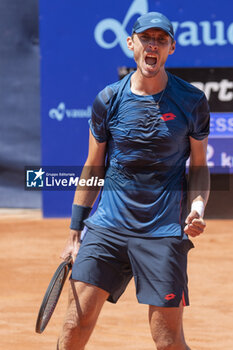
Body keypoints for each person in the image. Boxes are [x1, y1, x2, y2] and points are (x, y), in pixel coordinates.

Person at [58, 11, 210, 350]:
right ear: (131, 44)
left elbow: (199, 166)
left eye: (160, 39)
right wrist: (74, 231)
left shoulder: (192, 102)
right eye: (145, 38)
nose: (152, 45)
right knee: (73, 326)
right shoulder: (108, 100)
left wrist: (198, 205)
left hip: (163, 234)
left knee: (168, 341)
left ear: (171, 47)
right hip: (107, 227)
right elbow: (93, 166)